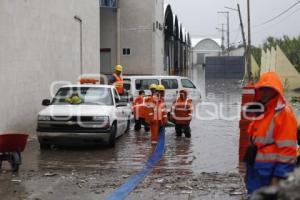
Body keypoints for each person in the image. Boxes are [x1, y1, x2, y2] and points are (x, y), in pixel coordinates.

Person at [245, 72, 298, 194]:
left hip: (269, 172)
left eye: (268, 89)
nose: (264, 92)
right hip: (256, 168)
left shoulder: (283, 114)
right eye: (262, 89)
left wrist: (278, 177)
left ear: (276, 91)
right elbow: (253, 140)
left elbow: (287, 151)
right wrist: (248, 171)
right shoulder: (262, 110)